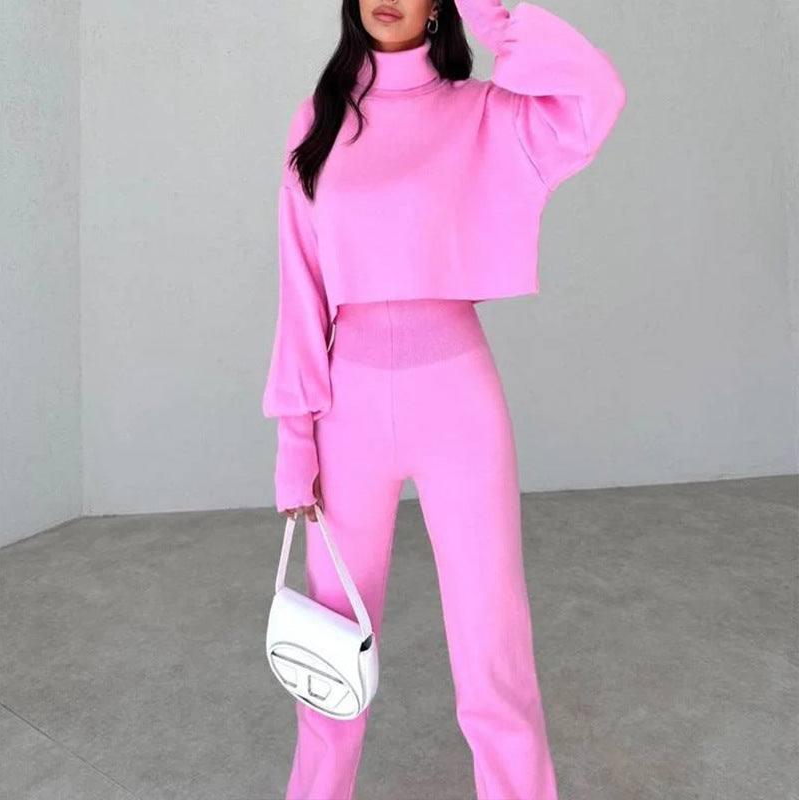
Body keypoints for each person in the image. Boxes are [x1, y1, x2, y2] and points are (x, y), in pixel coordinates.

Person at [261, 1, 626, 797]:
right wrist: (295, 437)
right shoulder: (319, 119)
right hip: (347, 410)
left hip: (457, 401)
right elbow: (300, 290)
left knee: (495, 652)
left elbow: (595, 95)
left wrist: (489, 10)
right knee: (329, 655)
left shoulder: (484, 113)